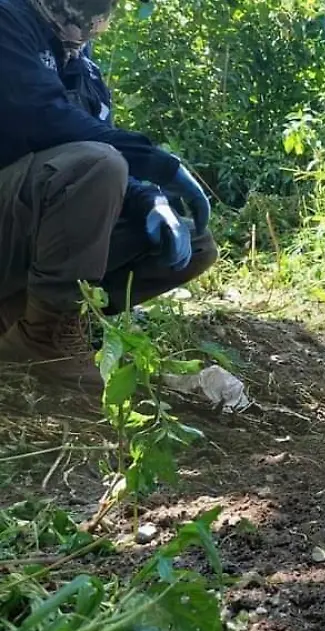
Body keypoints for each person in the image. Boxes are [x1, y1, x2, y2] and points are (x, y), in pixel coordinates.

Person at [0, 0, 214, 388]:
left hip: (26, 225)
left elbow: (97, 143)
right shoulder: (9, 19)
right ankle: (45, 341)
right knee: (98, 164)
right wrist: (155, 162)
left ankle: (33, 321)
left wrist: (146, 197)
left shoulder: (81, 61)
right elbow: (40, 119)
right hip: (8, 208)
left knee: (194, 245)